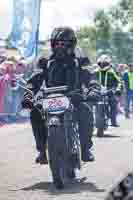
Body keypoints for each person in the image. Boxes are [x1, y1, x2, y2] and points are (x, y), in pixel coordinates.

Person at [22, 27, 100, 164]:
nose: (59, 47)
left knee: (86, 111)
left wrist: (93, 90)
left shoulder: (81, 60)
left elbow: (91, 77)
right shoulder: (45, 61)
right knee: (35, 112)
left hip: (74, 96)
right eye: (57, 43)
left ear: (71, 44)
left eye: (63, 44)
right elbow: (34, 80)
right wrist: (28, 95)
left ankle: (86, 149)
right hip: (50, 98)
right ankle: (42, 150)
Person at [95, 54, 122, 127]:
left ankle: (113, 121)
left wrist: (118, 89)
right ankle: (90, 120)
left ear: (109, 64)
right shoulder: (95, 72)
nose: (103, 65)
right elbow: (90, 81)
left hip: (110, 91)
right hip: (98, 91)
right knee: (88, 103)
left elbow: (119, 81)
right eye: (101, 63)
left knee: (114, 103)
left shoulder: (112, 72)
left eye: (105, 64)